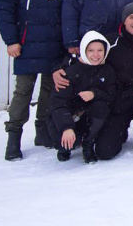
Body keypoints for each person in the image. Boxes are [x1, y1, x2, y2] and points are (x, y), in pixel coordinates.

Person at [0, 0, 72, 160]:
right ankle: (14, 136)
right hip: (26, 45)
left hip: (55, 46)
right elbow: (4, 8)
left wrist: (68, 43)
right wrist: (11, 40)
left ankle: (43, 133)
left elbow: (70, 11)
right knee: (23, 92)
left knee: (50, 90)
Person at [86, 3, 133, 159]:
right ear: (124, 21)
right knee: (105, 152)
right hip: (118, 100)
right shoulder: (110, 42)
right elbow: (88, 58)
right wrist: (60, 67)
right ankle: (121, 129)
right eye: (132, 18)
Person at [47, 31, 116, 163]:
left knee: (102, 107)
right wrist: (67, 127)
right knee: (65, 140)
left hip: (88, 116)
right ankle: (64, 148)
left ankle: (88, 144)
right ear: (84, 50)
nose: (96, 55)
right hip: (68, 115)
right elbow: (58, 102)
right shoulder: (71, 71)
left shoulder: (108, 71)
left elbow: (111, 97)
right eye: (91, 50)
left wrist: (95, 94)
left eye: (100, 50)